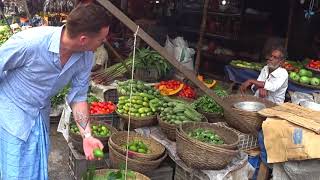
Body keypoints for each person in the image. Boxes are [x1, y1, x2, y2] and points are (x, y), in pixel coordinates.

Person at [0, 3, 110, 180]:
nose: (103, 43)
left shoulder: (85, 57)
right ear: (83, 39)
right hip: (11, 113)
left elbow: (79, 97)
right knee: (14, 170)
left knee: (35, 166)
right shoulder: (29, 43)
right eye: (101, 39)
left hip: (39, 114)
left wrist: (87, 135)